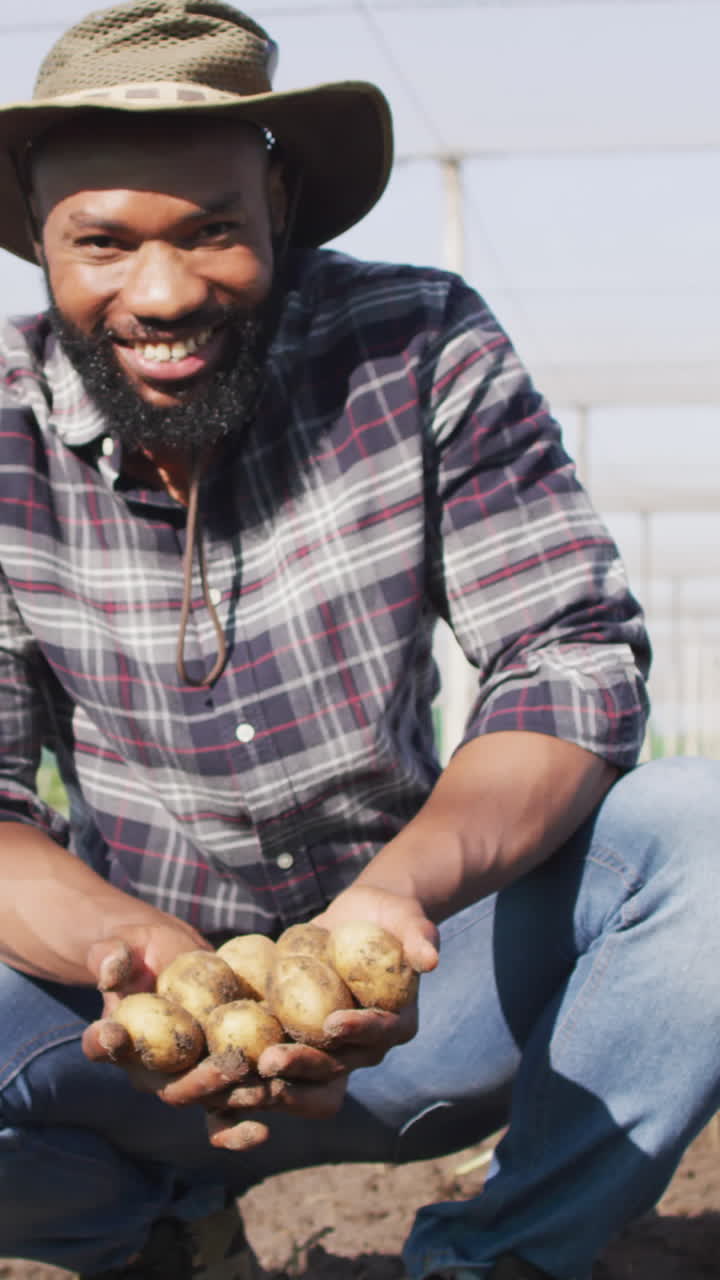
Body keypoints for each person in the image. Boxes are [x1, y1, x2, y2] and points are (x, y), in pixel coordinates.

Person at [0, 3, 717, 1279]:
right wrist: (137, 952)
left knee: (705, 833)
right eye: (102, 242)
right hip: (129, 1035)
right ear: (36, 231)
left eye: (212, 229)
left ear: (279, 200)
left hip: (438, 1000)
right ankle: (149, 1242)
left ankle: (496, 1256)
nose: (161, 294)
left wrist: (401, 894)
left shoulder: (416, 345)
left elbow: (568, 658)